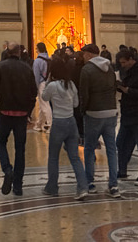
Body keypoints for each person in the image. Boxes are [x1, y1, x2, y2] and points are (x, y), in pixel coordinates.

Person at [0, 42, 37, 196]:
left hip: (4, 113)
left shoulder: (0, 67)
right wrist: (28, 111)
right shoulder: (27, 68)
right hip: (21, 115)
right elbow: (33, 93)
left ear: (7, 52)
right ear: (19, 52)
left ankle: (7, 169)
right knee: (20, 149)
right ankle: (18, 186)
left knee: (0, 142)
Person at [41, 55, 87, 199]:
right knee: (75, 157)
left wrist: (48, 81)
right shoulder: (71, 84)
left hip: (59, 123)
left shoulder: (52, 86)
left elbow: (44, 97)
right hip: (71, 122)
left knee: (53, 157)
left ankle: (52, 187)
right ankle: (83, 187)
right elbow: (76, 104)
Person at [79, 44, 119, 197]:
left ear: (89, 54)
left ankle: (90, 182)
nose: (83, 57)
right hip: (110, 112)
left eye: (84, 54)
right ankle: (113, 185)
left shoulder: (87, 70)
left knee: (89, 148)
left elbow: (84, 93)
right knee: (111, 149)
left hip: (94, 113)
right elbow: (113, 88)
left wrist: (83, 110)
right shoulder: (110, 68)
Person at [115, 48, 138, 185]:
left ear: (131, 59)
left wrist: (128, 90)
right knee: (121, 143)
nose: (122, 65)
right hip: (127, 113)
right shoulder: (128, 71)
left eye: (124, 62)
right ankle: (122, 171)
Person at [33, 43, 52, 132]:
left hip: (41, 83)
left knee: (44, 105)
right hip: (48, 82)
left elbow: (36, 76)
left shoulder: (37, 61)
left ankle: (50, 124)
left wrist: (35, 87)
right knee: (42, 105)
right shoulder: (48, 59)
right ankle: (39, 124)